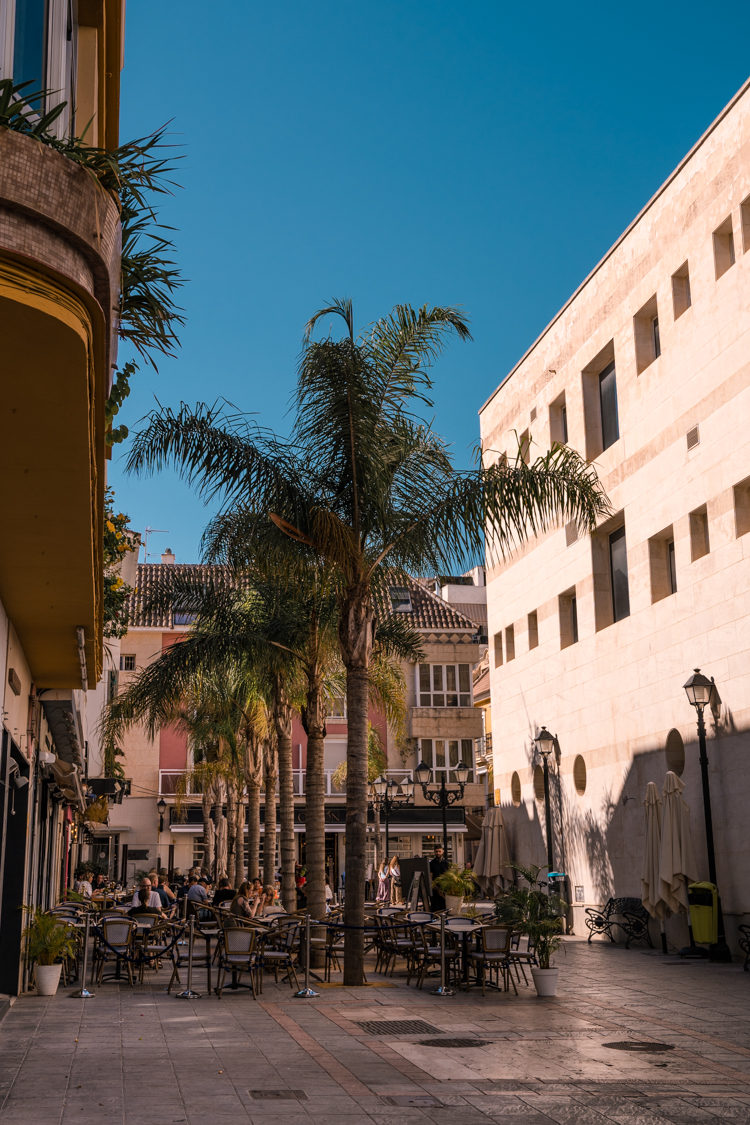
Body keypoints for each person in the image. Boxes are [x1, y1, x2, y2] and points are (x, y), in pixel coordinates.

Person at [430, 845, 450, 911]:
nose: (438, 853)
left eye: (439, 851)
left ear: (442, 852)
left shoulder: (446, 863)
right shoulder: (432, 863)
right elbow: (430, 877)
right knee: (435, 907)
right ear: (434, 852)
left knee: (443, 907)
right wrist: (436, 888)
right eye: (436, 851)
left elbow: (449, 876)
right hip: (435, 888)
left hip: (444, 888)